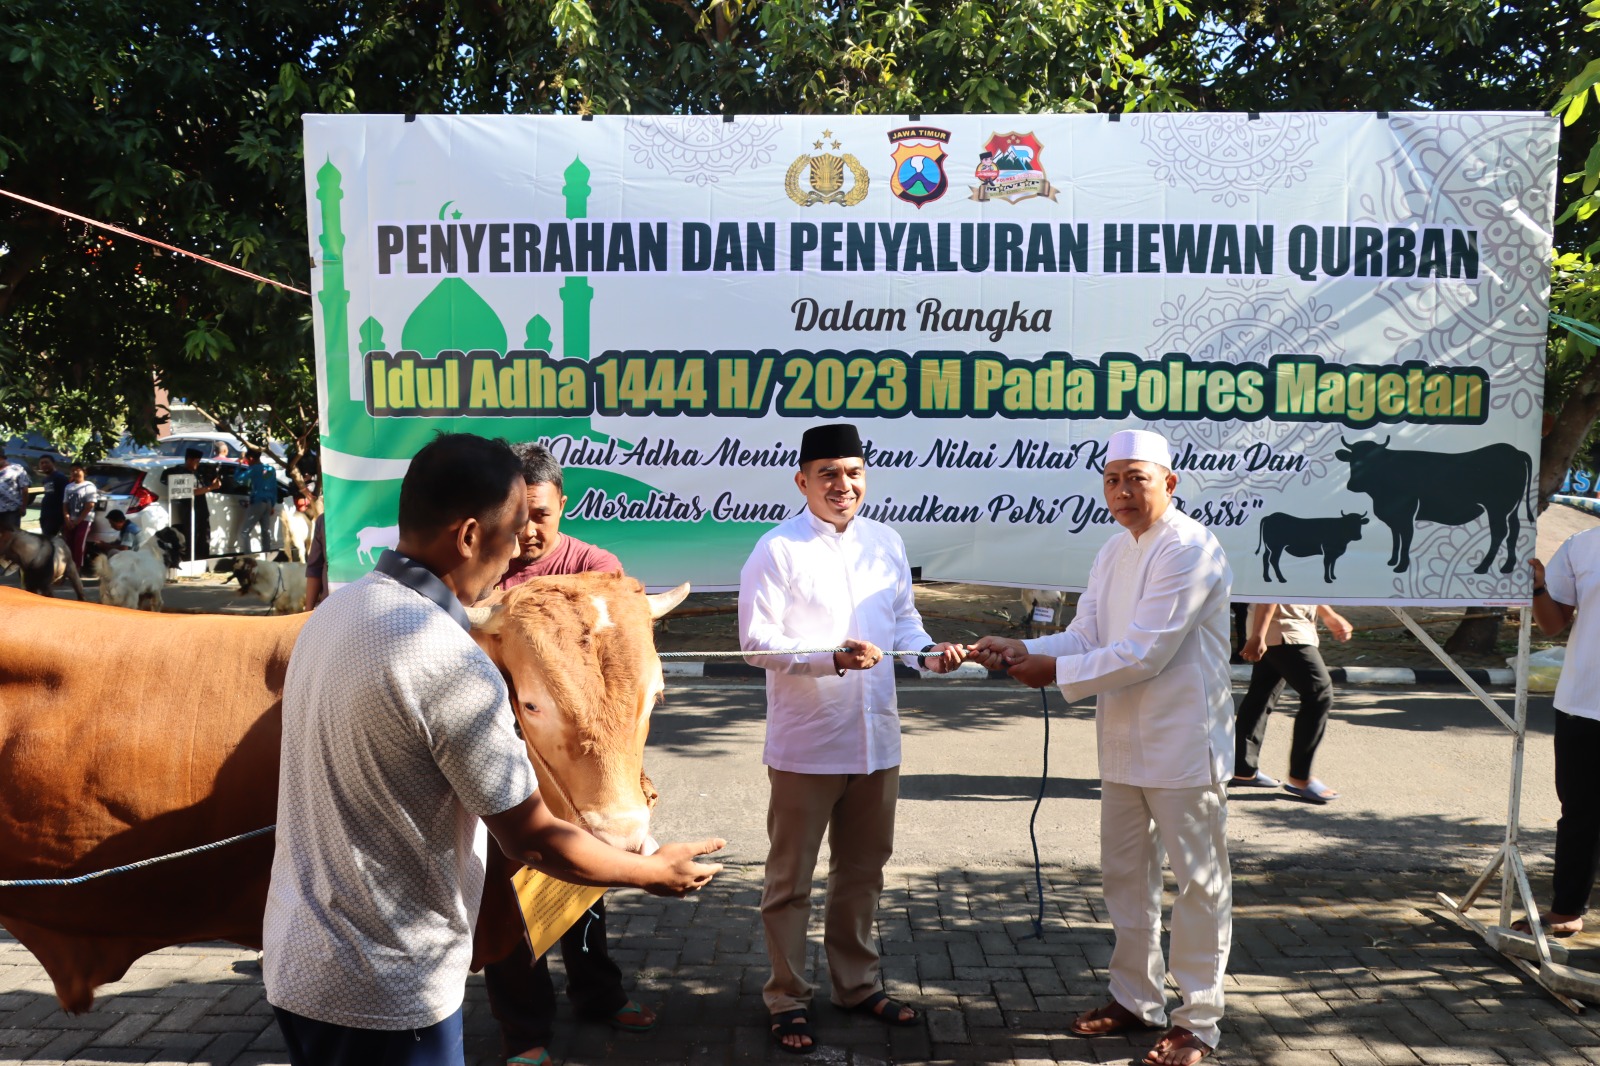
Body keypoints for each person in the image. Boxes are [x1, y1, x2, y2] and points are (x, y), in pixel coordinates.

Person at [262, 432, 724, 1066]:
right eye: (510, 535)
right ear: (470, 536)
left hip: (298, 961)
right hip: (392, 987)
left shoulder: (337, 613)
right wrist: (653, 872)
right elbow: (530, 840)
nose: (515, 556)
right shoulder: (449, 659)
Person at [968, 428, 1233, 1066]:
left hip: (1183, 741)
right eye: (1112, 480)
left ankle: (1198, 1020)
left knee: (1198, 884)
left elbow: (1146, 651)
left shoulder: (1190, 547)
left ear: (1169, 482)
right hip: (1121, 741)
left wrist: (1051, 671)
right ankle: (1135, 998)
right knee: (1125, 877)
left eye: (1136, 478)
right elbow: (1087, 634)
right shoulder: (1114, 549)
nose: (1122, 492)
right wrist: (1026, 650)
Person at [738, 423, 964, 1055]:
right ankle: (787, 996)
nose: (844, 485)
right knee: (790, 881)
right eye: (829, 474)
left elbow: (905, 623)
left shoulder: (885, 542)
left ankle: (856, 986)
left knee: (863, 873)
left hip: (876, 743)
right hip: (807, 744)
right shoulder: (777, 549)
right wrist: (829, 658)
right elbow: (756, 644)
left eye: (854, 473)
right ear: (802, 481)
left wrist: (928, 654)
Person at [482, 442, 643, 1066]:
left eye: (542, 515)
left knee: (584, 884)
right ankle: (524, 1033)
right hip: (497, 757)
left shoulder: (595, 567)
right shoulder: (483, 570)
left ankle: (599, 995)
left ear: (563, 505)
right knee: (509, 893)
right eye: (517, 517)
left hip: (577, 766)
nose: (528, 531)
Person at [1518, 543, 1600, 939]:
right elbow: (1552, 625)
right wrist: (1538, 588)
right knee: (1580, 813)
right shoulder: (1581, 546)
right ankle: (1567, 909)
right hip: (1583, 702)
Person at [1231, 603, 1353, 802]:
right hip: (1284, 628)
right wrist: (1258, 635)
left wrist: (1328, 614)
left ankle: (1243, 769)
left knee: (1262, 694)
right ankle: (1300, 777)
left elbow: (1297, 587)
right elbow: (1270, 590)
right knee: (1320, 694)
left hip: (1282, 626)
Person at [162, 449, 219, 561]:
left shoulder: (197, 473)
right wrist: (211, 488)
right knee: (192, 536)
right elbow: (191, 492)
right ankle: (191, 559)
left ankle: (202, 560)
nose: (197, 464)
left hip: (201, 509)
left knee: (204, 537)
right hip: (190, 509)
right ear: (188, 460)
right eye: (196, 461)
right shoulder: (181, 474)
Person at [236, 449, 279, 554]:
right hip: (269, 502)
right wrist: (272, 505)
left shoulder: (254, 469)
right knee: (265, 531)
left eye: (247, 460)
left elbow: (238, 479)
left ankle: (248, 556)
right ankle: (266, 554)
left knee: (245, 532)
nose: (247, 462)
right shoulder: (271, 469)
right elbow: (274, 488)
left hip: (258, 501)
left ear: (251, 458)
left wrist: (239, 465)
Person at [61, 462, 98, 568]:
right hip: (70, 519)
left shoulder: (89, 486)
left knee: (79, 543)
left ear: (84, 471)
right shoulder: (68, 487)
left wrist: (77, 521)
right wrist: (67, 518)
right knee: (68, 543)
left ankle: (78, 567)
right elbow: (65, 504)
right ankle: (67, 566)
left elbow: (90, 505)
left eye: (77, 469)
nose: (75, 472)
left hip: (84, 520)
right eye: (72, 470)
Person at [36, 456, 68, 540]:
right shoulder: (45, 479)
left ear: (53, 463)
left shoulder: (60, 477)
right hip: (46, 514)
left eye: (46, 462)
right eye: (42, 463)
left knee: (50, 539)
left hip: (56, 515)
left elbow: (65, 497)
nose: (44, 465)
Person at [0, 448, 30, 532]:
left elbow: (25, 489)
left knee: (12, 534)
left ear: (3, 458)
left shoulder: (16, 469)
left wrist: (23, 507)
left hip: (12, 510)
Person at [302, 513, 328, 609]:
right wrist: (308, 611)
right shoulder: (324, 520)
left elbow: (314, 568)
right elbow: (315, 568)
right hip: (331, 608)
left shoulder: (324, 519)